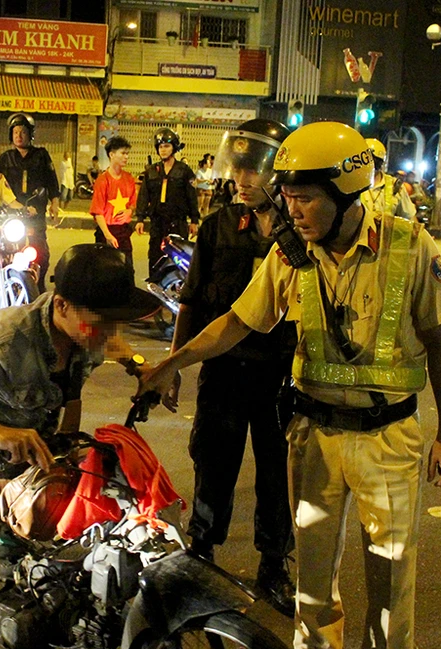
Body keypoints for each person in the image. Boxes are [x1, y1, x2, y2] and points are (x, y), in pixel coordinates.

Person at [139, 121, 441, 649]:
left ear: (345, 194)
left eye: (305, 199)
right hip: (313, 436)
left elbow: (440, 342)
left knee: (391, 581)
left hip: (389, 438)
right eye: (287, 197)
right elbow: (238, 322)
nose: (292, 212)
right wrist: (172, 363)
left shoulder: (410, 246)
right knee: (311, 581)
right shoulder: (290, 255)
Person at [0, 243, 160, 649]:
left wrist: (139, 364)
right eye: (102, 323)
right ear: (61, 305)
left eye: (115, 322)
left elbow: (112, 341)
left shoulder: (86, 328)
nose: (108, 333)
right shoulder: (3, 342)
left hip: (45, 447)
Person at [169, 118, 297, 617]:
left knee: (276, 474)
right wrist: (174, 365)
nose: (242, 180)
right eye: (238, 169)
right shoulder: (219, 225)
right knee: (213, 464)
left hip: (280, 378)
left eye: (252, 170)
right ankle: (201, 553)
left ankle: (273, 565)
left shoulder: (299, 232)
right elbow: (191, 301)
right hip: (224, 372)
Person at [0, 113, 60, 289]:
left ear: (30, 134)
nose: (19, 136)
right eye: (15, 132)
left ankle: (38, 285)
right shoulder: (5, 158)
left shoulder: (41, 155)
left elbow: (52, 181)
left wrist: (55, 204)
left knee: (41, 252)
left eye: (23, 132)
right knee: (7, 251)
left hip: (36, 213)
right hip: (13, 214)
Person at [134, 127, 199, 267]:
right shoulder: (151, 171)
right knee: (155, 259)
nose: (163, 150)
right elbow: (144, 196)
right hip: (157, 223)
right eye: (160, 147)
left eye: (167, 146)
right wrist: (140, 218)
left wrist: (194, 220)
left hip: (178, 222)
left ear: (174, 147)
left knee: (178, 260)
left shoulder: (184, 170)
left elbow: (192, 197)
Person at [89, 136, 136, 268]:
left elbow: (133, 204)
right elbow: (97, 212)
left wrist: (129, 211)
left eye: (127, 153)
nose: (126, 157)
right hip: (106, 232)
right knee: (105, 271)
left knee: (127, 269)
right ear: (112, 154)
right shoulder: (102, 180)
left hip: (123, 232)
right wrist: (107, 235)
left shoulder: (129, 178)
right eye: (123, 153)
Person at [361, 139, 415, 220]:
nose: (370, 165)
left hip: (384, 228)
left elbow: (410, 218)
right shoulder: (351, 184)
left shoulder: (395, 186)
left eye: (374, 161)